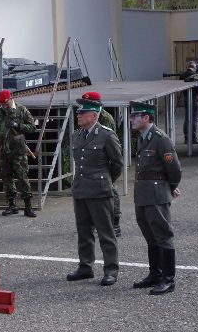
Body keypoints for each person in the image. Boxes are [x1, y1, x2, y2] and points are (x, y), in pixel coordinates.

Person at [66, 92, 123, 286]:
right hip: (81, 189)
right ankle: (85, 266)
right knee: (83, 231)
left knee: (106, 232)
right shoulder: (76, 135)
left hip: (99, 191)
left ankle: (111, 270)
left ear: (94, 116)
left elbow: (117, 164)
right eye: (79, 112)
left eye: (84, 112)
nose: (79, 115)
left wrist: (105, 181)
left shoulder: (106, 135)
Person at [130, 101, 181, 295]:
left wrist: (171, 187)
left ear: (146, 118)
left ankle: (168, 279)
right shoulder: (143, 137)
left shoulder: (160, 138)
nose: (132, 119)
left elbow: (174, 168)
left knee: (163, 235)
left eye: (135, 116)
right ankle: (155, 274)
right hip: (143, 194)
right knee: (150, 235)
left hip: (156, 194)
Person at [0, 89, 37, 217]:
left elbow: (32, 127)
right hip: (3, 150)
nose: (4, 106)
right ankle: (11, 205)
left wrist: (19, 126)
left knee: (22, 177)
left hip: (18, 150)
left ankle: (28, 206)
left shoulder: (21, 110)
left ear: (11, 98)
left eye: (6, 103)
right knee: (7, 178)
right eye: (2, 104)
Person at [79, 91, 123, 237]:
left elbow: (110, 142)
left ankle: (115, 222)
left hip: (105, 160)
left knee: (112, 190)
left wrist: (109, 176)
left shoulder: (106, 118)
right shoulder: (86, 116)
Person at [180, 61, 198, 144]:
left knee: (187, 118)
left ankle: (186, 137)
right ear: (194, 67)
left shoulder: (182, 75)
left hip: (185, 97)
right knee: (194, 119)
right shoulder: (197, 76)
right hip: (194, 98)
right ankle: (192, 138)